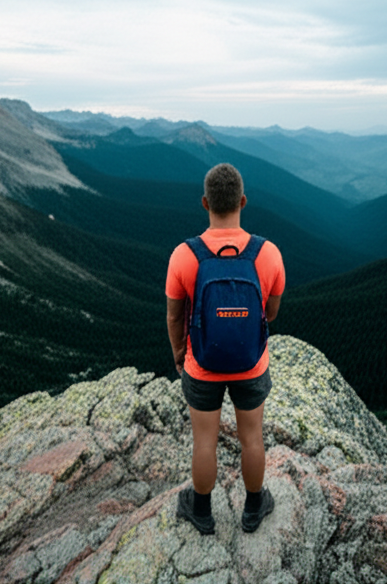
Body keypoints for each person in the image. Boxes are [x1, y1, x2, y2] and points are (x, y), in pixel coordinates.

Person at [166, 163, 285, 535]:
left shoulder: (184, 256)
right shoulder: (268, 254)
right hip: (251, 363)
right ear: (243, 201)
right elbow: (271, 312)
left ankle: (201, 511)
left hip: (201, 365)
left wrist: (179, 355)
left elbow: (174, 317)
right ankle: (253, 509)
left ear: (205, 203)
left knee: (205, 441)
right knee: (252, 437)